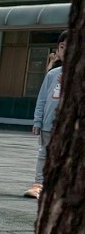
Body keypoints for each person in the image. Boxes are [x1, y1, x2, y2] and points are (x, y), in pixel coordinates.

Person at [26, 30, 67, 199]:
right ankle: (38, 184)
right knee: (44, 153)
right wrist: (38, 121)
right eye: (62, 47)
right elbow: (42, 99)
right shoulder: (52, 74)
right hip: (49, 123)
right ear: (57, 51)